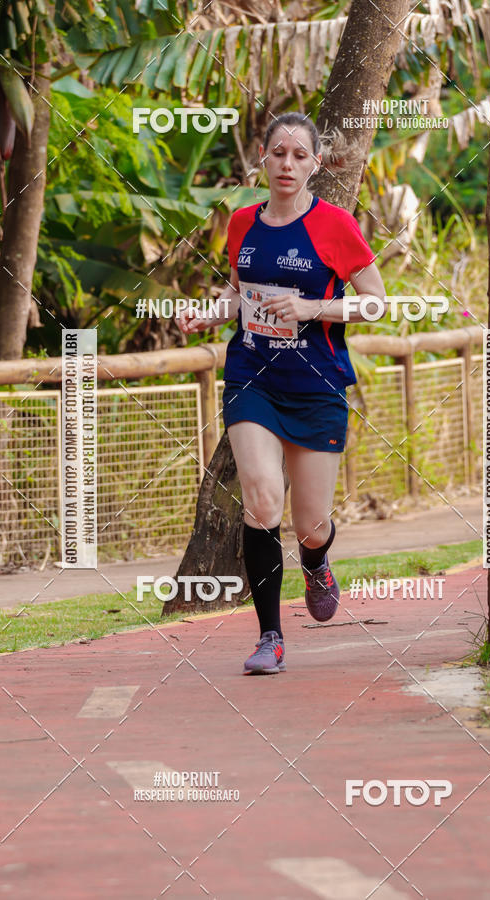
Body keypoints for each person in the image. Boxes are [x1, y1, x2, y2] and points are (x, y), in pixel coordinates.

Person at [177, 112, 385, 675]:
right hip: (253, 375)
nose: (287, 164)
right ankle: (270, 636)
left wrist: (312, 307)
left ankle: (316, 562)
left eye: (299, 155)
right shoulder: (242, 222)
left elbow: (375, 303)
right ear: (263, 160)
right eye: (278, 153)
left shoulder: (335, 225)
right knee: (263, 499)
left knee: (309, 524)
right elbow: (238, 293)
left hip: (316, 384)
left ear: (314, 164)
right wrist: (210, 314)